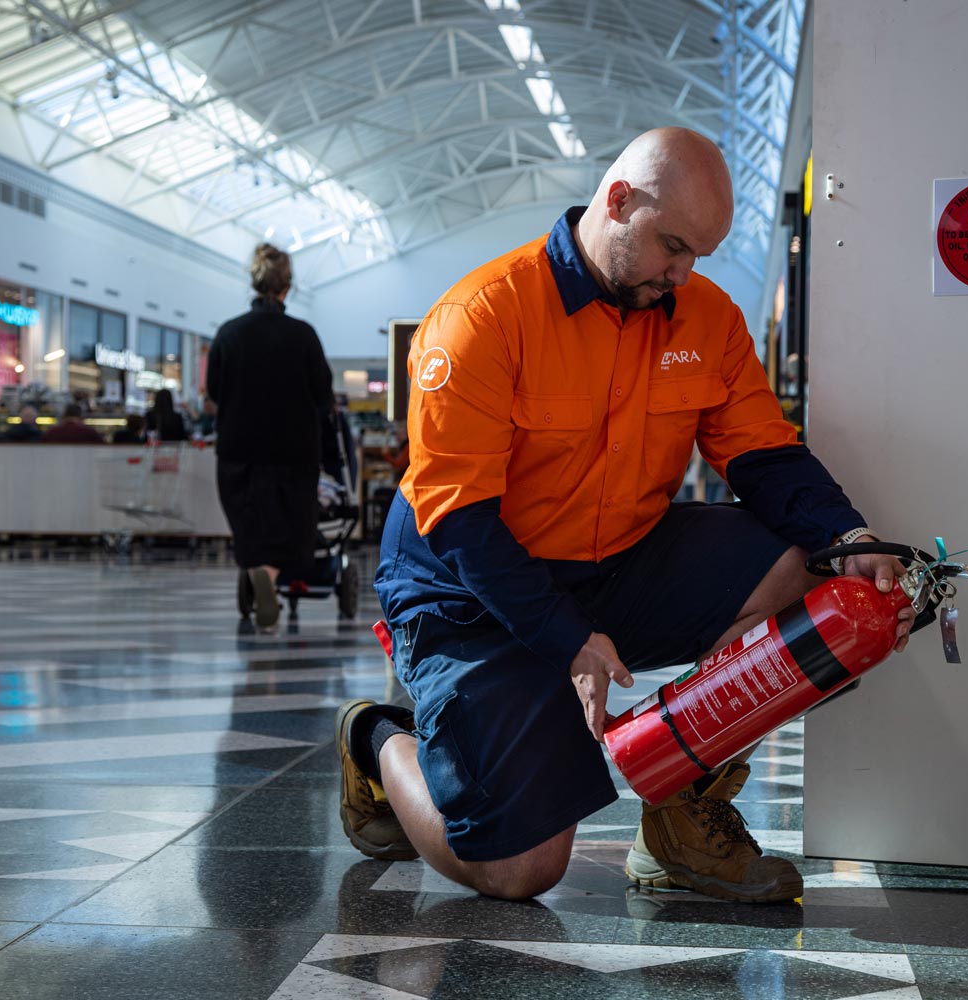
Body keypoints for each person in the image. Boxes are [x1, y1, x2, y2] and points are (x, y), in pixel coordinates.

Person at [339, 128, 915, 904]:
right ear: (618, 202)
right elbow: (464, 521)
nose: (681, 274)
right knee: (520, 871)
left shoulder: (703, 317)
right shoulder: (482, 317)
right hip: (472, 589)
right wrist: (566, 640)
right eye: (671, 246)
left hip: (617, 560)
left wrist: (849, 539)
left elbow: (762, 454)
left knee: (803, 566)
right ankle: (377, 739)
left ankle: (681, 809)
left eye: (699, 257)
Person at [206, 242, 333, 631]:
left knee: (248, 520)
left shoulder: (228, 334)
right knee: (292, 522)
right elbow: (323, 392)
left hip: (238, 448)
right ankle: (272, 574)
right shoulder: (303, 335)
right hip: (293, 449)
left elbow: (213, 391)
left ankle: (259, 569)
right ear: (287, 287)